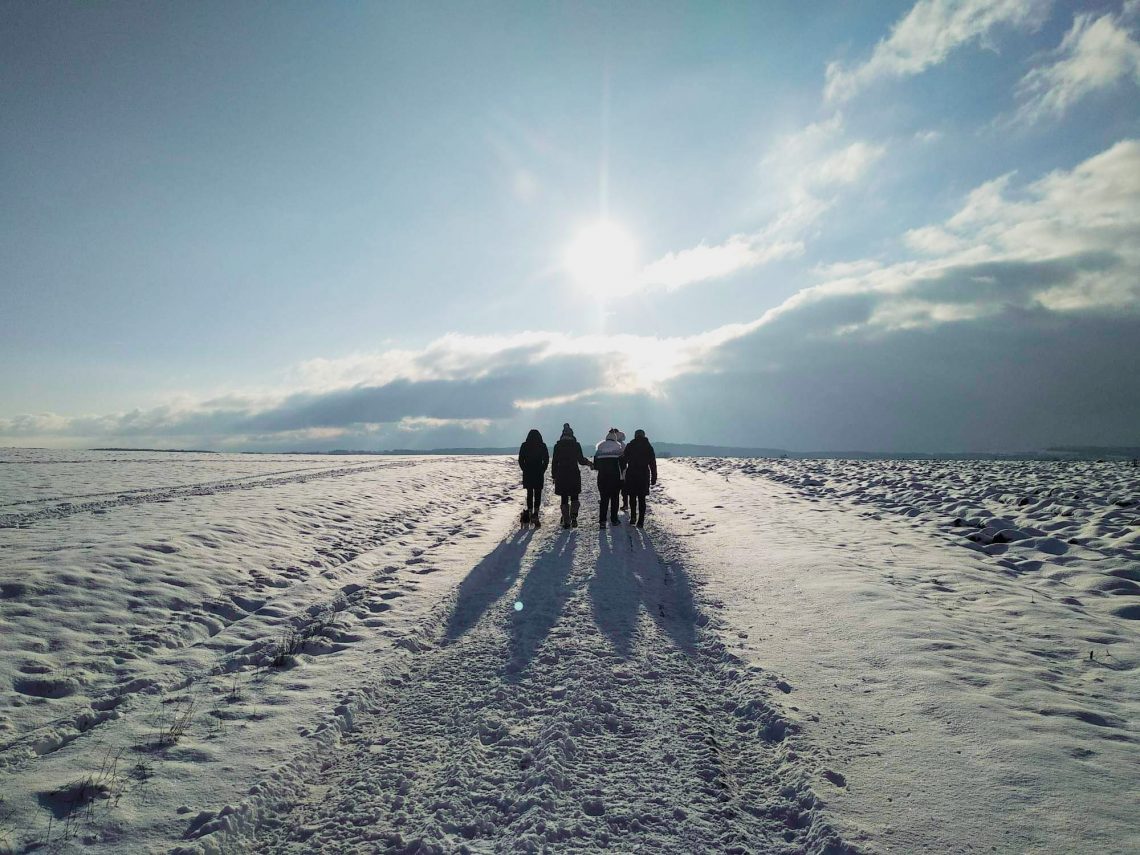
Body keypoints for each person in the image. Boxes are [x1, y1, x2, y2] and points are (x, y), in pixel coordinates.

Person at [551, 423, 591, 528]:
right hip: (574, 473)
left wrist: (554, 475)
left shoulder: (557, 446)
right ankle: (574, 517)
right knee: (574, 495)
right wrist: (589, 463)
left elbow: (554, 462)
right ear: (572, 434)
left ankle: (566, 520)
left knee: (564, 497)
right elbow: (581, 460)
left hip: (561, 474)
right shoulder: (576, 445)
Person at [621, 429, 657, 528]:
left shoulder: (630, 445)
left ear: (635, 436)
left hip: (631, 473)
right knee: (642, 499)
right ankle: (641, 521)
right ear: (644, 435)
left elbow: (624, 460)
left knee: (632, 497)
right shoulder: (648, 447)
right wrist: (654, 477)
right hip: (644, 474)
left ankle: (633, 517)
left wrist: (621, 472)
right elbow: (652, 463)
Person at [593, 428, 625, 528]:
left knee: (604, 499)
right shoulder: (619, 448)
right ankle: (614, 519)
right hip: (615, 477)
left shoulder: (599, 448)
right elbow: (623, 465)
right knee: (615, 499)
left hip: (602, 477)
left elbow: (596, 465)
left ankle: (602, 521)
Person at [518, 429, 549, 526]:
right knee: (538, 493)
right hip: (538, 472)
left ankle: (530, 513)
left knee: (529, 493)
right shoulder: (542, 445)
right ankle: (536, 513)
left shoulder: (524, 445)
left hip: (528, 473)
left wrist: (525, 469)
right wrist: (542, 470)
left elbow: (520, 460)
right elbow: (546, 459)